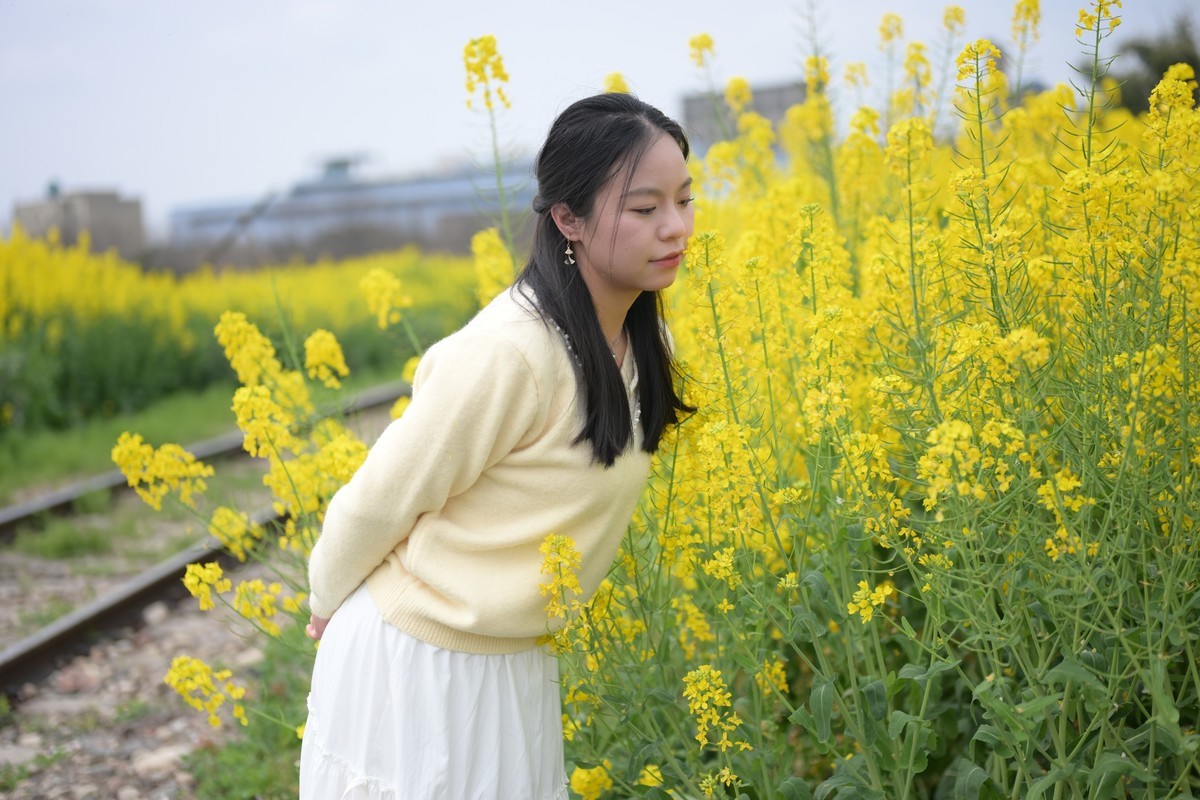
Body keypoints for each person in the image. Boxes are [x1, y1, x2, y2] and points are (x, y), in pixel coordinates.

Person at [298, 92, 696, 799]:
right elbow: (379, 498)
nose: (675, 227)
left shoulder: (643, 342)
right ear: (568, 220)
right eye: (645, 209)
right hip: (417, 662)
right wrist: (326, 599)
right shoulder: (509, 353)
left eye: (685, 200)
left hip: (513, 663)